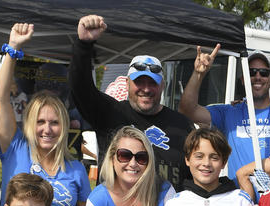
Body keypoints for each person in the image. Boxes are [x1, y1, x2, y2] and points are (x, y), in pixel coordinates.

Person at [69, 15, 194, 189]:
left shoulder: (183, 125)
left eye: (152, 83)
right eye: (139, 82)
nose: (146, 89)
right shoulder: (109, 113)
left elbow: (193, 176)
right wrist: (83, 45)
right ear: (127, 83)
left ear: (163, 86)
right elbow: (81, 87)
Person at [0, 23, 91, 206]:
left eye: (54, 122)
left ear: (63, 126)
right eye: (40, 122)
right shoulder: (16, 147)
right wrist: (13, 48)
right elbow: (0, 99)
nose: (47, 129)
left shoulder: (76, 170)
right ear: (30, 124)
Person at [179, 46, 270, 180]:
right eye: (251, 72)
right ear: (243, 79)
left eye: (263, 73)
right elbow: (187, 109)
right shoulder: (228, 112)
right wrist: (198, 74)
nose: (257, 77)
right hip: (240, 198)